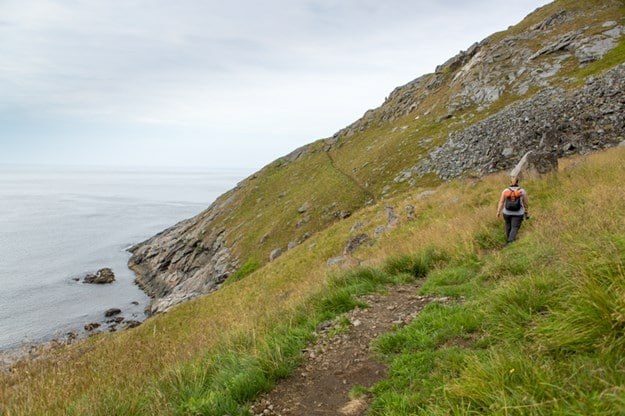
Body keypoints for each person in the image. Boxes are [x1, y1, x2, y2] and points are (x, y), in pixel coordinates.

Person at [496, 175, 529, 244]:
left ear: (510, 182)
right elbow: (525, 203)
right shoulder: (522, 191)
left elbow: (501, 202)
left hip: (507, 213)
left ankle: (508, 239)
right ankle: (510, 241)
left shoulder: (505, 191)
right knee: (515, 227)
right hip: (518, 213)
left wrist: (498, 211)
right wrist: (526, 210)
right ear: (518, 181)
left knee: (508, 225)